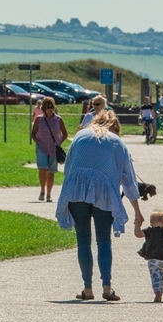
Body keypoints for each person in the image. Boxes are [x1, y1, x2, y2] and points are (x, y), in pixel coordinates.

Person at [55, 113, 144, 302]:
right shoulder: (117, 142)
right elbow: (128, 179)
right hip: (104, 193)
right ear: (115, 126)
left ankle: (87, 288)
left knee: (83, 240)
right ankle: (107, 287)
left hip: (77, 190)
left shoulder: (80, 137)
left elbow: (68, 168)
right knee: (104, 241)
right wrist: (137, 211)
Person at [31, 97, 68, 203]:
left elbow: (65, 134)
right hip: (41, 148)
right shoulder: (39, 119)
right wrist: (38, 143)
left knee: (51, 172)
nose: (50, 109)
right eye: (48, 107)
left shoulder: (58, 119)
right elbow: (33, 133)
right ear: (44, 108)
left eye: (52, 107)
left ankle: (49, 194)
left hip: (53, 148)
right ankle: (42, 190)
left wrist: (58, 143)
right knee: (42, 169)